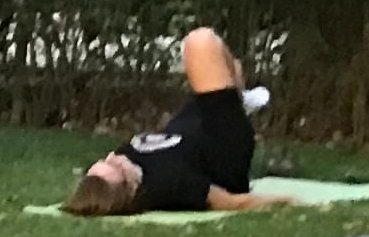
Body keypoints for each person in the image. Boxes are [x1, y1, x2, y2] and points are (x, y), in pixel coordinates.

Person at [64, 29, 294, 216]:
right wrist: (291, 201)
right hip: (224, 141)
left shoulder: (123, 172)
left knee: (233, 68)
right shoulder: (169, 185)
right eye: (114, 166)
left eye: (103, 161)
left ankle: (241, 100)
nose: (113, 157)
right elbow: (232, 201)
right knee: (201, 42)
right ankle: (240, 103)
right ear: (133, 188)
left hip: (190, 123)